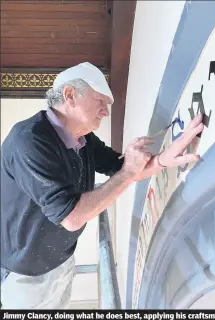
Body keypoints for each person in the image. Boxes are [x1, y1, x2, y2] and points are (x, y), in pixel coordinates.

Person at [1, 62, 204, 309]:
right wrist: (129, 170)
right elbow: (72, 216)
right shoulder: (29, 141)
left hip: (62, 260)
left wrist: (162, 159)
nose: (105, 111)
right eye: (100, 101)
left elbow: (120, 169)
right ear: (69, 95)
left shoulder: (82, 137)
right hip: (25, 275)